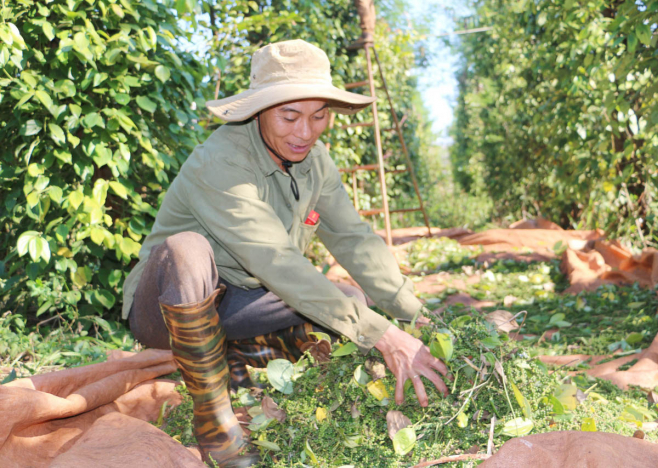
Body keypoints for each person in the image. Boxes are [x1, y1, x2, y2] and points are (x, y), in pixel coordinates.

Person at [122, 39, 450, 467]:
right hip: (168, 307)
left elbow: (352, 237)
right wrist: (383, 334)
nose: (305, 132)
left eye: (319, 116)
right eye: (290, 115)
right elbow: (277, 261)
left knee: (350, 303)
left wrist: (413, 313)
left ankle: (244, 360)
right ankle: (214, 417)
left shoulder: (316, 161)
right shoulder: (220, 161)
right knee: (187, 248)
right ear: (259, 110)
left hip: (242, 302)